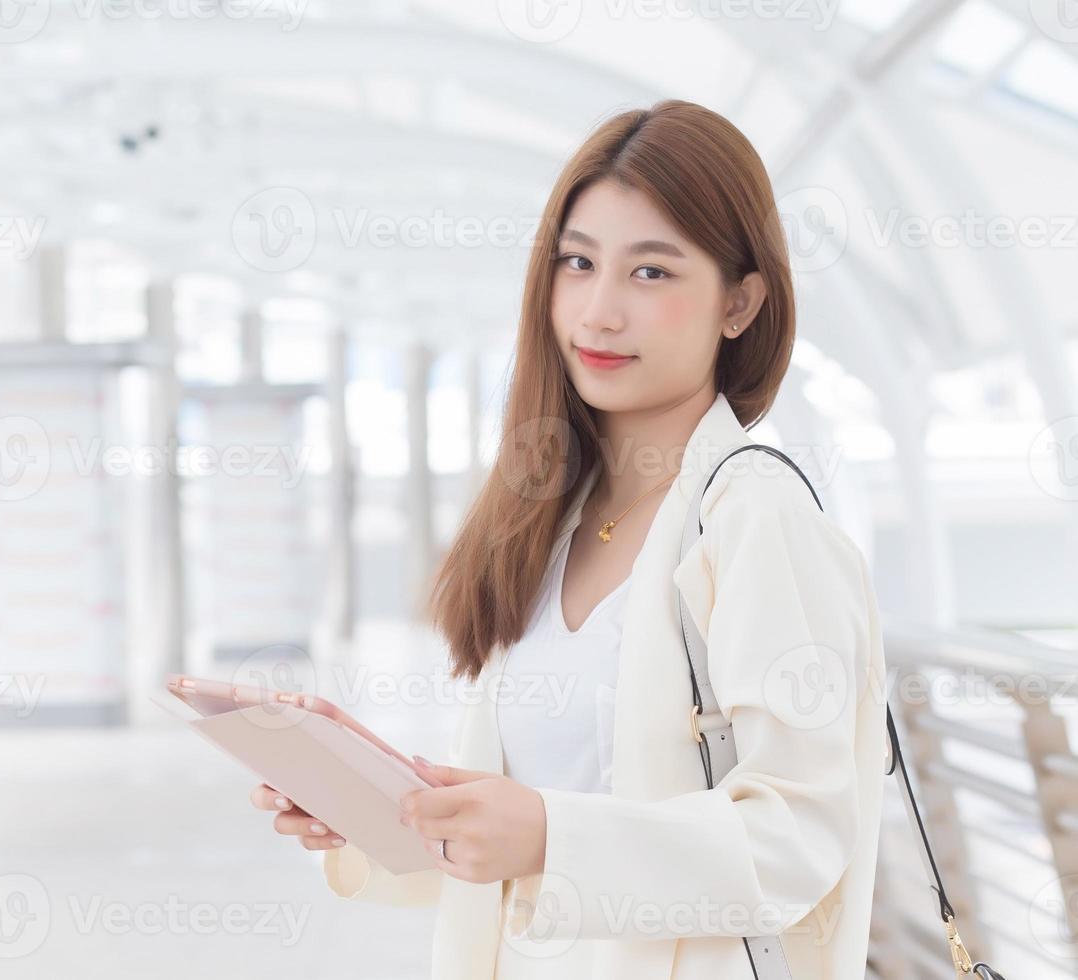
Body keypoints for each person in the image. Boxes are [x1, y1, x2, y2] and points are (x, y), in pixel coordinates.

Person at [250, 98, 886, 979]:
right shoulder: (547, 517)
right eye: (577, 263)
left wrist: (553, 834)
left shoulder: (756, 522)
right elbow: (525, 843)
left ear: (740, 303)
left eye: (652, 273)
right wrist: (382, 808)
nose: (598, 311)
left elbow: (803, 834)